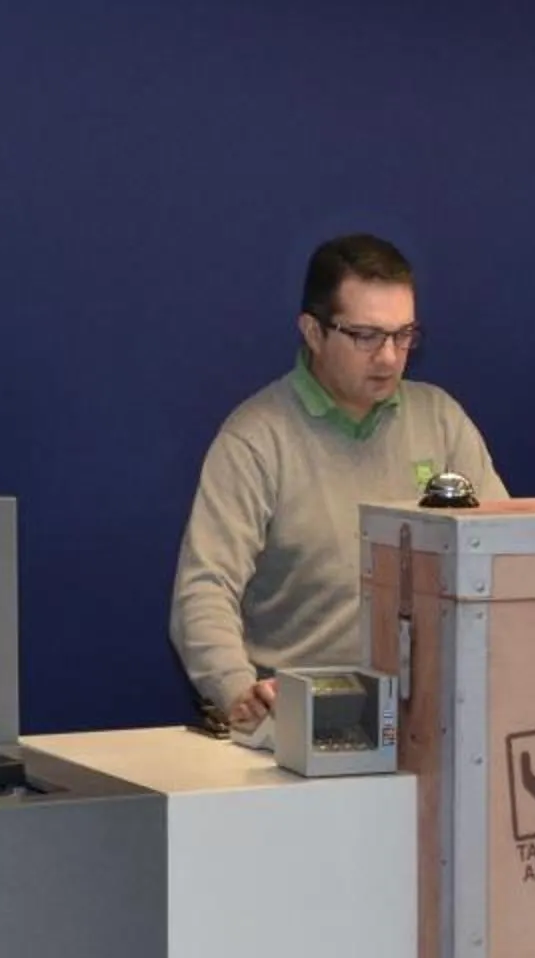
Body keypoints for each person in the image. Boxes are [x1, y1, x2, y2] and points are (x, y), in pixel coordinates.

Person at [170, 233, 504, 737]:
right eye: (366, 336)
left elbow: (506, 559)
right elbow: (204, 590)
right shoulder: (257, 438)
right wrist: (240, 691)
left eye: (404, 335)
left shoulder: (440, 419)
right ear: (313, 331)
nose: (390, 358)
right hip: (302, 721)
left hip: (430, 718)